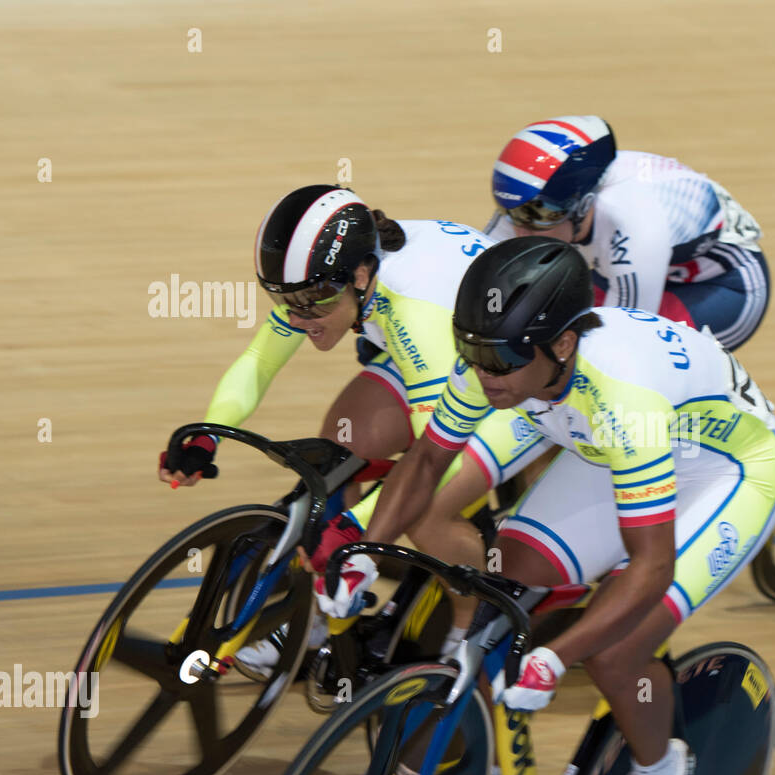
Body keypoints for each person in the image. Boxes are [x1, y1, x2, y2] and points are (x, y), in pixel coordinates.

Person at [315, 236, 775, 775]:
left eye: (503, 361)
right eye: (474, 354)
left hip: (724, 471)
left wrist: (556, 659)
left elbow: (650, 566)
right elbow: (428, 461)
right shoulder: (496, 356)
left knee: (618, 651)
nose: (485, 376)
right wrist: (365, 552)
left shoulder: (625, 398)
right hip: (606, 447)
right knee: (501, 598)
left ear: (561, 344)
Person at [159, 184, 540, 677]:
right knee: (339, 447)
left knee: (428, 513)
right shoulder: (322, 283)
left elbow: (434, 461)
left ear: (361, 276)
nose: (299, 317)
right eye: (285, 300)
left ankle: (469, 632)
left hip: (515, 387)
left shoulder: (410, 310)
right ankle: (322, 616)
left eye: (312, 303)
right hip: (441, 358)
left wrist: (356, 527)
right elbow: (258, 362)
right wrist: (208, 434)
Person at [484, 115, 769, 351]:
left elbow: (621, 344)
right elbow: (480, 277)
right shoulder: (535, 198)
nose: (521, 229)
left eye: (540, 216)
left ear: (583, 204)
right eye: (513, 212)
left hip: (720, 287)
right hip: (630, 270)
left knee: (629, 360)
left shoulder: (634, 224)